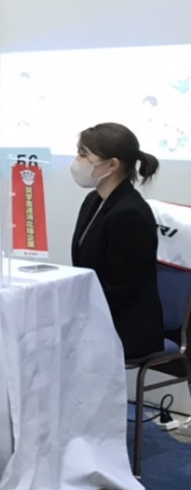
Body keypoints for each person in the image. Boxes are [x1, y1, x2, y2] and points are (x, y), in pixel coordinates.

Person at [70, 123, 165, 360]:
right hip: (98, 315)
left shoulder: (130, 213)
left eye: (84, 155)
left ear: (112, 164)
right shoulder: (93, 201)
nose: (77, 161)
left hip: (126, 326)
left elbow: (120, 288)